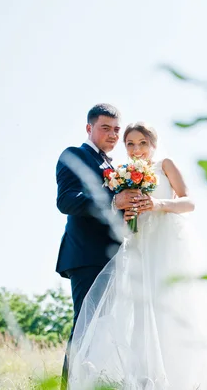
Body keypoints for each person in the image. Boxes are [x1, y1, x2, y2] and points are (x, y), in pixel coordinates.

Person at [67, 122, 207, 390]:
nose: (137, 149)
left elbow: (189, 202)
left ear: (153, 144)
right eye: (130, 144)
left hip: (169, 244)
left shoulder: (165, 165)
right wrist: (127, 216)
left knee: (178, 305)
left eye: (142, 143)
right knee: (142, 312)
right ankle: (149, 379)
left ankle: (188, 378)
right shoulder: (123, 174)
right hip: (141, 247)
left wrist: (158, 204)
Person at [56, 104, 147, 389]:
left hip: (113, 257)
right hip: (86, 254)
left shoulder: (115, 167)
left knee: (102, 327)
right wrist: (112, 200)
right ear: (89, 128)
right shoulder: (74, 155)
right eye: (105, 128)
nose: (112, 134)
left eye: (116, 129)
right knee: (85, 324)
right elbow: (67, 200)